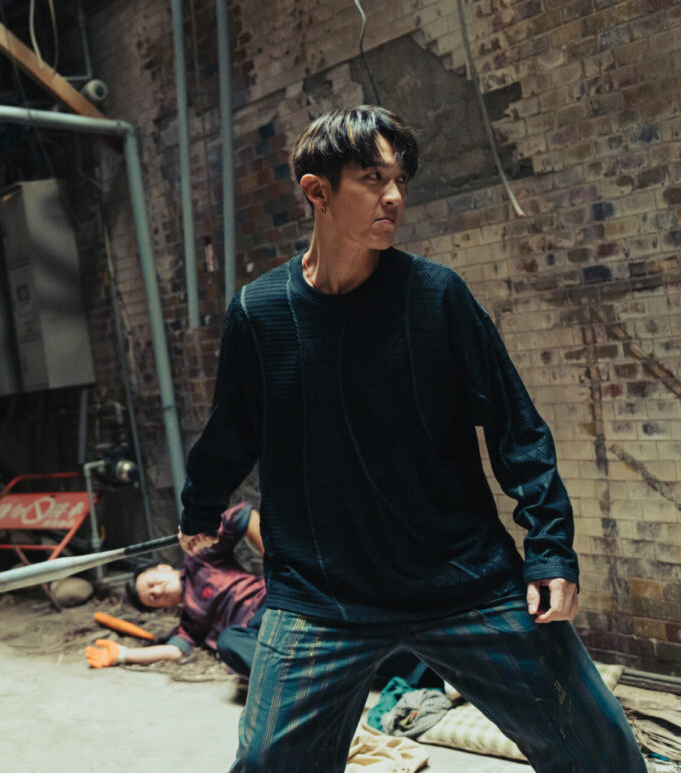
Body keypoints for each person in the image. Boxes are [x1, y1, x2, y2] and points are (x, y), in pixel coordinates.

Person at [178, 106, 646, 772]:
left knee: (604, 755)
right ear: (317, 192)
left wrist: (550, 551)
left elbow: (515, 427)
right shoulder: (260, 312)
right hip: (321, 597)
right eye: (373, 178)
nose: (395, 196)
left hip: (464, 581)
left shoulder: (436, 296)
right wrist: (199, 510)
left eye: (400, 179)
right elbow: (232, 429)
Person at [85, 502, 265, 676]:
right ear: (163, 607)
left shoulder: (200, 558)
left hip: (268, 606)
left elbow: (243, 515)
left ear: (163, 567)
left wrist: (275, 561)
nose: (157, 591)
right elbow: (174, 651)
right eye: (153, 598)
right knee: (227, 644)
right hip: (249, 638)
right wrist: (122, 654)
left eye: (152, 583)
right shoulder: (190, 624)